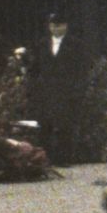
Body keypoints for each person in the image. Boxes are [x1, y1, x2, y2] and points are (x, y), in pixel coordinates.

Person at [29, 10, 88, 165]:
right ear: (49, 26)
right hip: (46, 91)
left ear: (66, 26)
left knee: (65, 126)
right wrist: (35, 88)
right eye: (53, 25)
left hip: (66, 91)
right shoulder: (41, 44)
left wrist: (77, 90)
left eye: (59, 25)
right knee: (45, 126)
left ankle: (64, 159)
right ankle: (44, 159)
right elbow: (34, 68)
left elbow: (82, 70)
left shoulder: (76, 45)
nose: (56, 29)